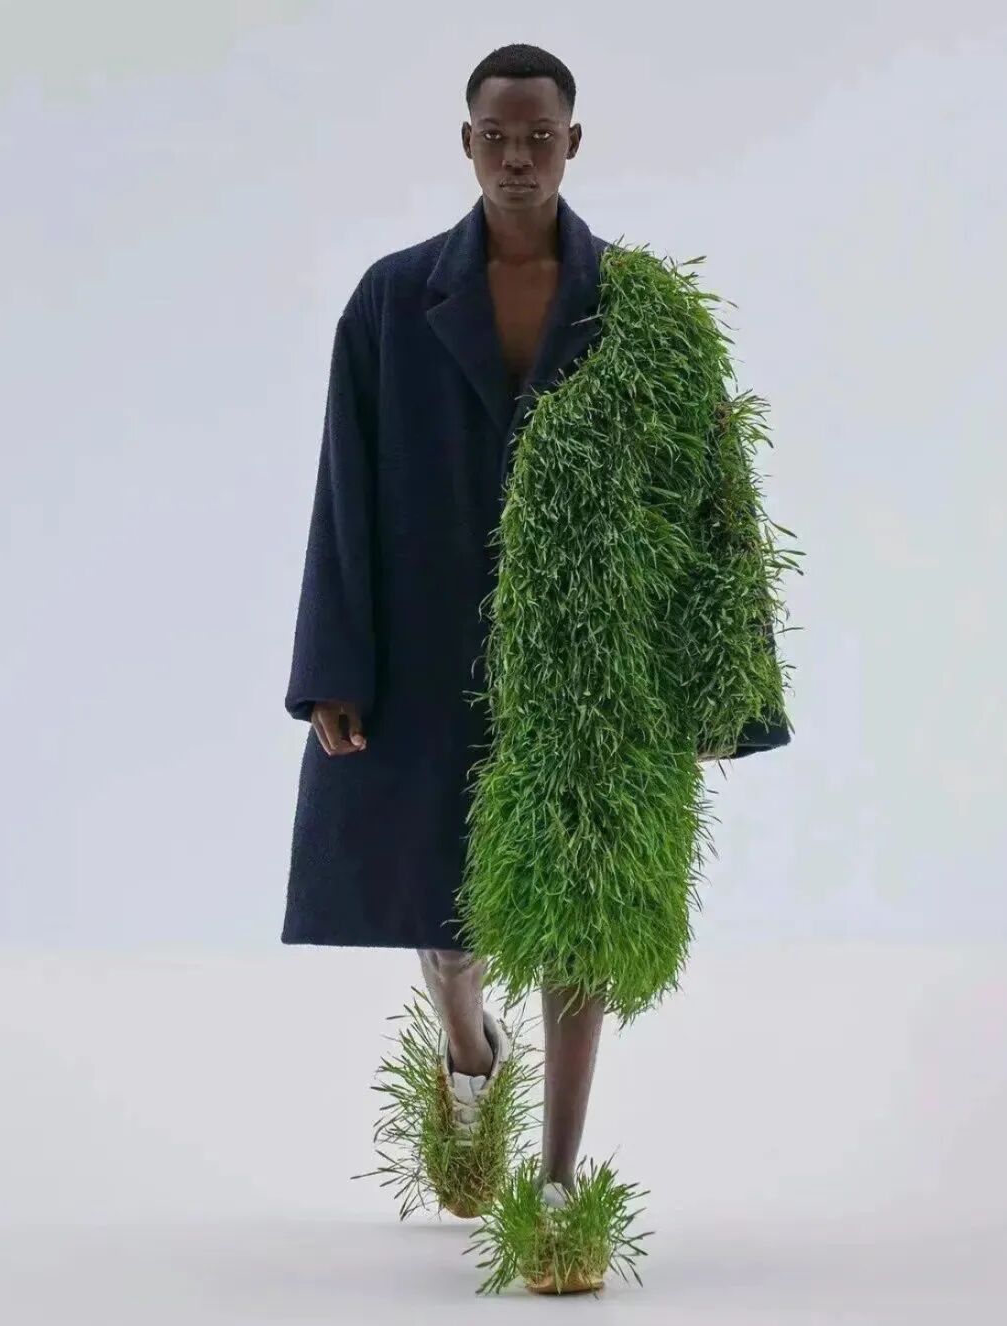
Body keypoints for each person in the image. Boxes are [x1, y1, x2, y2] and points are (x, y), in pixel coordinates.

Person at [282, 43, 792, 1275]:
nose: (518, 158)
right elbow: (344, 484)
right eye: (498, 137)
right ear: (467, 144)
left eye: (540, 137)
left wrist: (723, 686)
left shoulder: (643, 313)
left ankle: (559, 1190)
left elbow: (716, 498)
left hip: (594, 658)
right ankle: (469, 1060)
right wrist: (335, 664)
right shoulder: (392, 299)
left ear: (574, 144)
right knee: (445, 909)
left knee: (581, 905)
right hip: (429, 636)